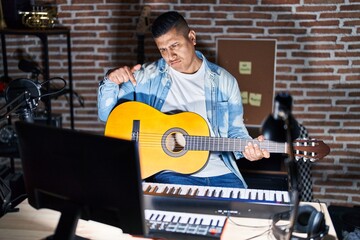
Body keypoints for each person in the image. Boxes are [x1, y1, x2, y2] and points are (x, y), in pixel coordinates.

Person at [98, 11, 270, 188]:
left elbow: (236, 134)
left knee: (242, 209)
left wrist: (249, 150)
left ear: (192, 38)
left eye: (175, 45)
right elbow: (109, 117)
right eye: (163, 50)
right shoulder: (146, 77)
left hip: (221, 172)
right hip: (171, 173)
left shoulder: (224, 81)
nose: (170, 56)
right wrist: (111, 81)